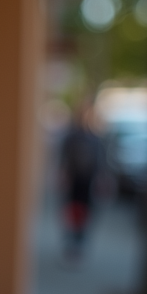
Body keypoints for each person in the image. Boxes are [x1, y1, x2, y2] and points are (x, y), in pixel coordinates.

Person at [59, 102, 104, 261]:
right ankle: (71, 244)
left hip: (88, 182)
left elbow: (100, 161)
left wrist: (101, 179)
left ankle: (79, 243)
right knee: (72, 211)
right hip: (74, 180)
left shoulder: (96, 139)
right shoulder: (71, 137)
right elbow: (64, 157)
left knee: (86, 212)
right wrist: (63, 174)